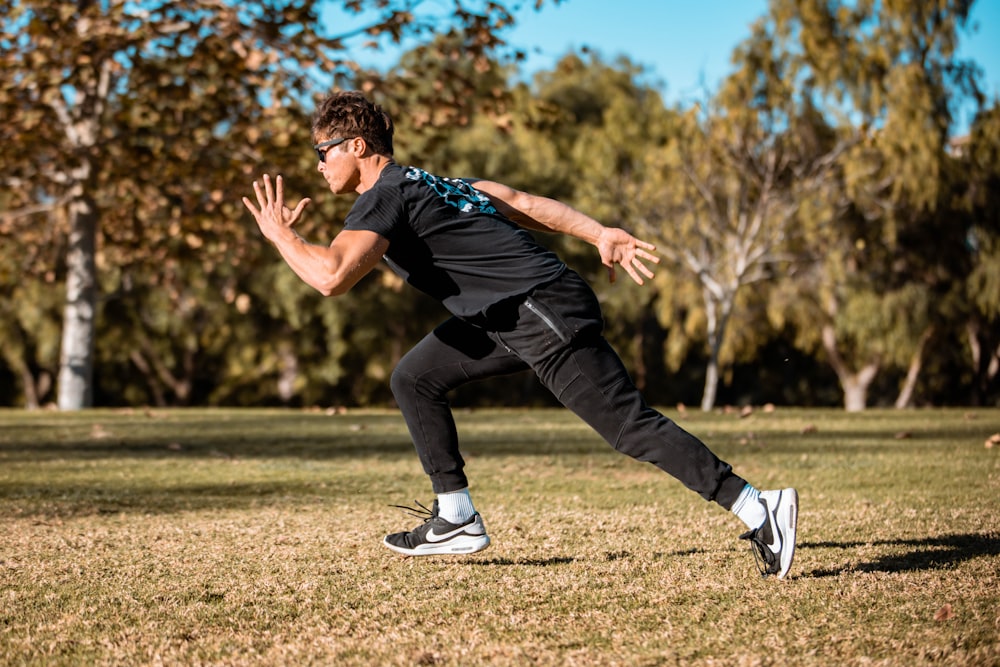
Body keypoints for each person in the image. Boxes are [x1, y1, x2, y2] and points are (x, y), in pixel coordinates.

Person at [242, 90, 798, 578]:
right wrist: (598, 232)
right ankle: (456, 517)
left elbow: (332, 277)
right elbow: (526, 205)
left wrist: (280, 236)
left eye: (323, 152)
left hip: (539, 311)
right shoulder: (435, 184)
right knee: (415, 377)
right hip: (509, 316)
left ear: (356, 146)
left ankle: (757, 505)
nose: (318, 166)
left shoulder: (384, 195)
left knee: (629, 426)